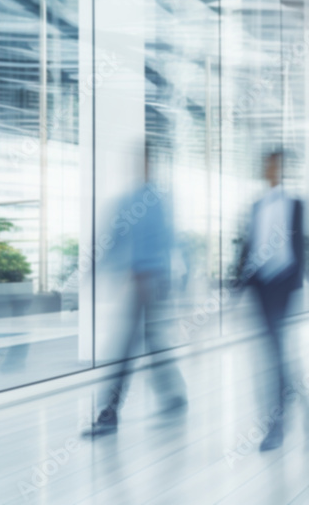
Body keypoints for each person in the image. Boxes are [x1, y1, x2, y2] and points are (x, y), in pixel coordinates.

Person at [85, 158, 188, 437]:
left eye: (143, 164)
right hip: (136, 281)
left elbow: (170, 240)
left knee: (126, 347)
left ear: (150, 166)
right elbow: (114, 237)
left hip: (152, 282)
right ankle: (174, 395)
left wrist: (173, 278)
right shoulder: (129, 201)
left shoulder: (158, 200)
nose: (139, 169)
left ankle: (110, 411)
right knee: (151, 342)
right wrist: (95, 269)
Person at [236, 150, 309, 450]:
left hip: (282, 286)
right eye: (266, 164)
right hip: (260, 287)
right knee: (274, 357)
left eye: (274, 165)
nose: (270, 169)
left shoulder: (296, 204)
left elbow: (303, 246)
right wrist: (236, 286)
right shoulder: (256, 206)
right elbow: (248, 248)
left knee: (274, 356)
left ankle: (277, 427)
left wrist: (302, 282)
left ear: (282, 169)